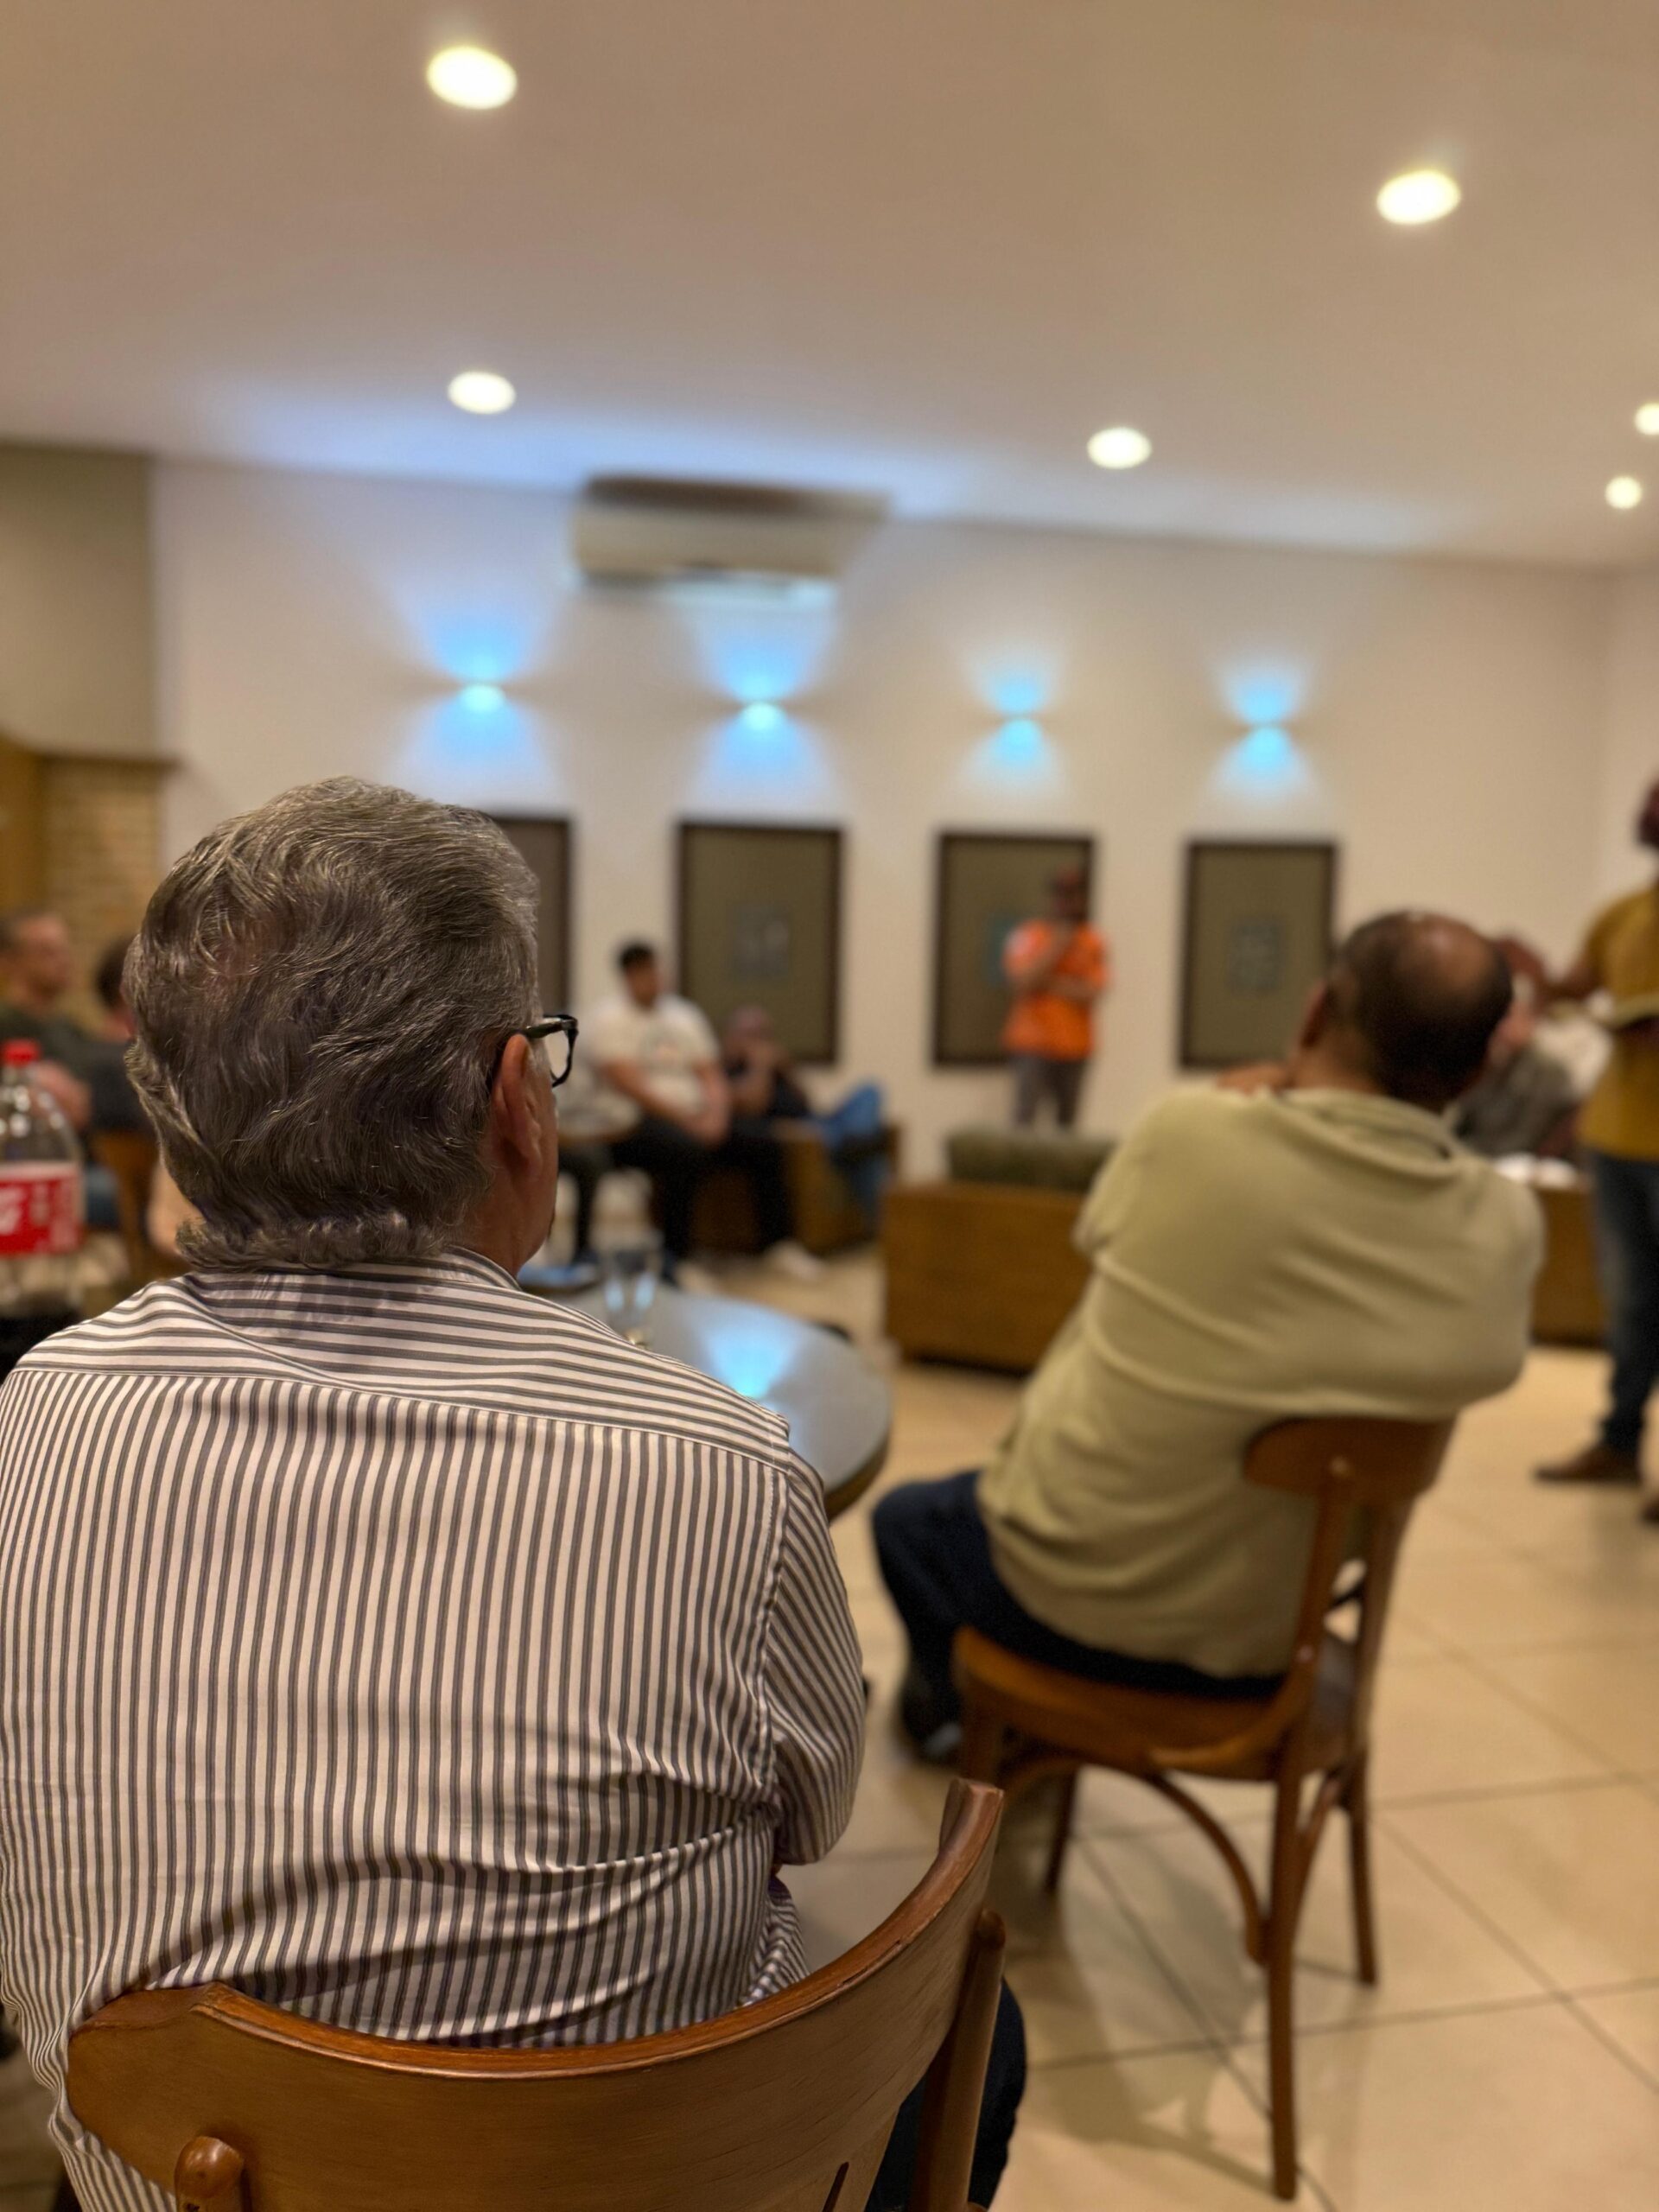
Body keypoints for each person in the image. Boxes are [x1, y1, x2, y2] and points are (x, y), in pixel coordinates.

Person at [0, 781, 995, 2212]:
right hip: (641, 2181)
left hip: (185, 2179)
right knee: (980, 2039)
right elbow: (812, 1816)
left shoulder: (37, 1417)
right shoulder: (721, 1468)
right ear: (516, 1098)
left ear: (171, 1118)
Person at [875, 912, 1541, 1758]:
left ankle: (968, 1725)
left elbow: (1095, 1234)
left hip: (1064, 1602)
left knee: (905, 1521)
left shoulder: (1191, 1133)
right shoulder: (1503, 1226)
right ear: (1478, 1070)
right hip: (1271, 1644)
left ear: (1314, 1013)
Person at [1509, 779, 1659, 1518]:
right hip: (1618, 1137)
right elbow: (1573, 988)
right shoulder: (1623, 914)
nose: (1643, 813)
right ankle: (1619, 1443)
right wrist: (1534, 975)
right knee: (1629, 1303)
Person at [588, 944, 822, 1280]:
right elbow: (628, 1083)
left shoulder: (684, 1016)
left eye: (655, 971)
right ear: (628, 976)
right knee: (683, 1151)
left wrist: (717, 1116)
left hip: (699, 1118)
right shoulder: (610, 1019)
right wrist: (686, 1120)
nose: (652, 979)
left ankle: (778, 1245)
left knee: (765, 1144)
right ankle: (678, 1259)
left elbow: (711, 1074)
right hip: (636, 1125)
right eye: (643, 973)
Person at [722, 1004, 891, 1232]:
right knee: (870, 1157)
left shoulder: (778, 1071)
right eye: (751, 1035)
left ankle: (854, 1141)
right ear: (731, 1037)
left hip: (819, 1121)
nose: (760, 1042)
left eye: (764, 1035)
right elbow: (752, 1106)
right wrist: (759, 1066)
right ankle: (858, 1146)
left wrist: (787, 1069)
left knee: (870, 1090)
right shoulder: (726, 1072)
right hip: (800, 1133)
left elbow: (805, 1101)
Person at [1001, 866, 1110, 1129]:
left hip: (1075, 1045)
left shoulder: (1092, 941)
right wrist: (1057, 947)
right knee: (1024, 1121)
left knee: (1067, 1127)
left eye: (1073, 895)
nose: (1066, 902)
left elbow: (1092, 991)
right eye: (1061, 895)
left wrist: (1048, 983)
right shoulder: (1028, 935)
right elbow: (1022, 982)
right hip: (1032, 1043)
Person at [1452, 976, 1580, 1160]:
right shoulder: (1491, 1060)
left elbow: (1524, 1140)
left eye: (1509, 1017)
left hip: (1513, 1163)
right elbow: (1463, 1118)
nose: (1502, 1026)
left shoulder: (1549, 1074)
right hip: (1471, 1155)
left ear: (1531, 1019)